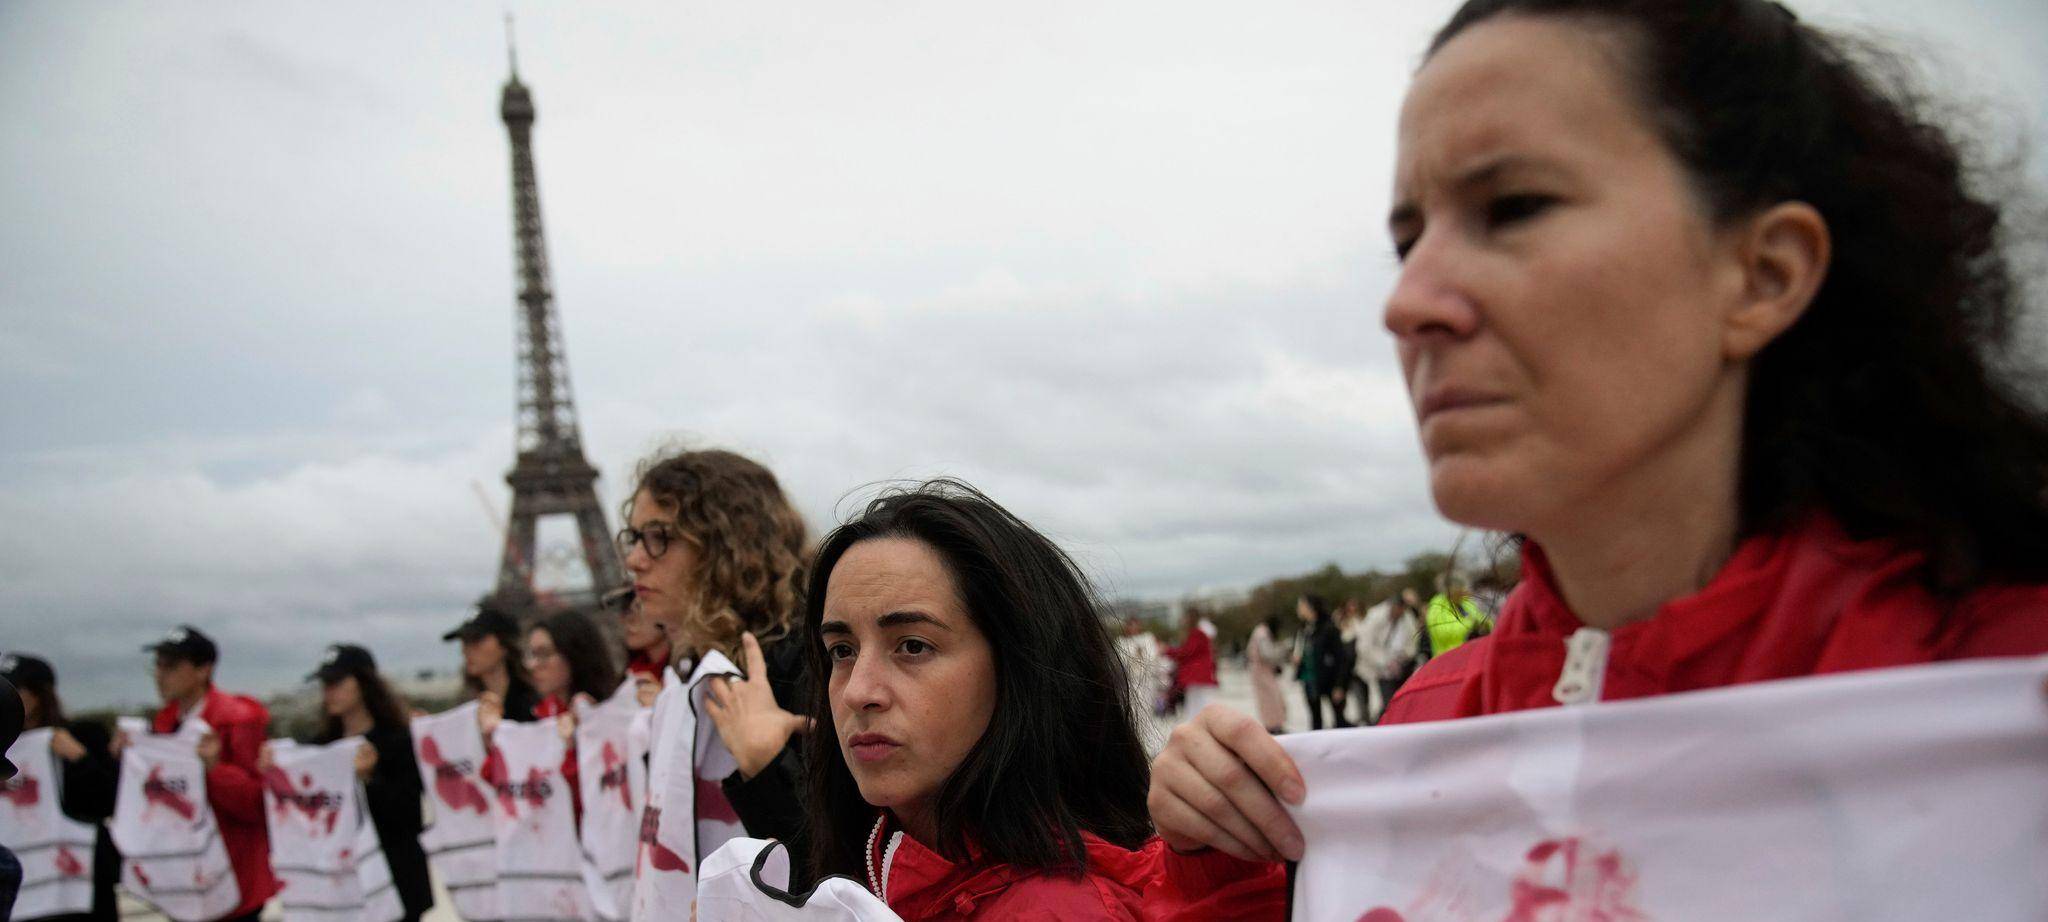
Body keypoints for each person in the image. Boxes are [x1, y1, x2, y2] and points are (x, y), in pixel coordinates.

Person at [1144, 0, 2048, 907]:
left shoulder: (2011, 695)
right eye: (1407, 240)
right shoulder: (1429, 719)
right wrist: (1226, 867)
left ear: (1763, 274)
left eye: (1514, 207)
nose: (1407, 302)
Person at [799, 480, 1193, 918]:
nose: (858, 691)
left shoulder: (1056, 911)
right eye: (842, 650)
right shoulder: (879, 864)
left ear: (1018, 667)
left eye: (912, 645)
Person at [619, 447, 811, 860]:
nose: (633, 560)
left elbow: (845, 871)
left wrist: (767, 764)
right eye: (634, 538)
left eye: (658, 538)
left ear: (727, 545)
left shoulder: (804, 667)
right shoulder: (691, 673)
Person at [123, 626, 278, 922]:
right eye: (157, 665)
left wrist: (215, 769)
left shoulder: (238, 719)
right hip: (185, 880)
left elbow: (258, 803)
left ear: (203, 670)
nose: (160, 674)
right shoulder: (165, 722)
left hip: (234, 881)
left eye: (170, 666)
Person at [277, 645, 433, 922]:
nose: (329, 692)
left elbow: (409, 815)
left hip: (395, 883)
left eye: (337, 682)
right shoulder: (319, 748)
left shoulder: (399, 740)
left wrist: (370, 779)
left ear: (363, 683)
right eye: (325, 684)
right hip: (341, 889)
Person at [2, 653, 121, 922]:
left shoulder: (82, 736)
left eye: (17, 688)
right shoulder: (7, 746)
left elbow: (109, 801)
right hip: (21, 891)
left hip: (78, 890)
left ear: (41, 693)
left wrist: (80, 759)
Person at [484, 611, 621, 823]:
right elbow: (500, 781)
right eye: (531, 654)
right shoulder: (539, 715)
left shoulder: (606, 716)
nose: (533, 665)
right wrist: (495, 740)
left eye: (544, 654)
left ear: (575, 653)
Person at [442, 603, 539, 723]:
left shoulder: (533, 704)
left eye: (476, 639)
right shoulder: (466, 705)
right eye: (464, 641)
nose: (466, 650)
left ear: (504, 645)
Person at [1291, 595, 1349, 730]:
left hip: (1329, 679)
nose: (1298, 609)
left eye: (1301, 605)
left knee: (1339, 719)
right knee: (1315, 719)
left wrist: (1339, 685)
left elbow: (1341, 658)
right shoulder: (1304, 630)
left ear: (1311, 607)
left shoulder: (1328, 628)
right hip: (1309, 679)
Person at [1162, 607, 1218, 717]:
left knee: (1196, 707)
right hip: (1199, 675)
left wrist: (1167, 650)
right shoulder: (1201, 633)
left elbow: (1186, 652)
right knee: (1199, 705)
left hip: (1197, 675)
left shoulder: (1198, 634)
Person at [1423, 573, 1491, 657]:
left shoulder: (1466, 603)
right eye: (1461, 589)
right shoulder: (1437, 606)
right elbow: (1442, 632)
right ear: (1451, 590)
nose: (1465, 592)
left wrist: (1486, 624)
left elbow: (1482, 618)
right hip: (1448, 658)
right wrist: (1471, 624)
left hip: (1471, 653)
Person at [1244, 617, 1289, 734]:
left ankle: (1274, 725)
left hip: (1263, 671)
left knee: (1271, 699)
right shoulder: (1262, 633)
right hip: (1262, 672)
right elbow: (1267, 654)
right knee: (1271, 699)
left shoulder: (1260, 632)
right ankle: (1274, 726)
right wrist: (1283, 649)